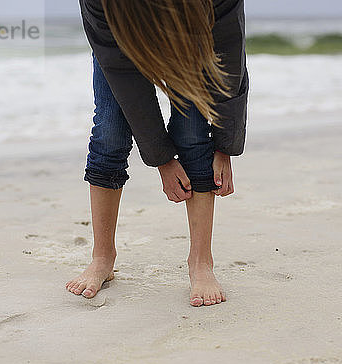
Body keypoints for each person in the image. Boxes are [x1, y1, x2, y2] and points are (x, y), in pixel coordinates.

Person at [65, 0, 249, 307]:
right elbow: (126, 79)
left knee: (193, 131)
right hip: (122, 30)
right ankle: (102, 257)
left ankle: (201, 261)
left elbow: (228, 55)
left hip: (190, 31)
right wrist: (162, 159)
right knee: (110, 130)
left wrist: (224, 146)